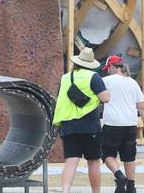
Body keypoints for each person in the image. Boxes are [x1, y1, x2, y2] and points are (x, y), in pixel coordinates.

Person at [53, 47, 110, 193]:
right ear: (90, 63)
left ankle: (65, 190)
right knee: (93, 162)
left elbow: (61, 98)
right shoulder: (93, 77)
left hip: (68, 125)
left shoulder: (65, 77)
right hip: (90, 125)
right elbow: (106, 98)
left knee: (71, 161)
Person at [100, 55, 144, 193]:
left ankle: (119, 176)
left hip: (112, 123)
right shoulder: (132, 83)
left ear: (112, 67)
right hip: (130, 124)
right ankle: (131, 187)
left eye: (108, 68)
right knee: (129, 156)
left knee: (107, 154)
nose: (107, 71)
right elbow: (142, 107)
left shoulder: (105, 81)